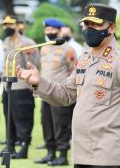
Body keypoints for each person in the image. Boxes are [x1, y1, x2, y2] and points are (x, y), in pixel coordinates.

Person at [17, 3, 120, 168]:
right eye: (87, 24)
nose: (90, 28)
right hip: (81, 154)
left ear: (111, 28)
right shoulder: (85, 58)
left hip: (109, 155)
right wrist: (39, 82)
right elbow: (67, 94)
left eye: (96, 24)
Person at [0, 15, 40, 159]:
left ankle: (24, 148)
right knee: (9, 117)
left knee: (23, 118)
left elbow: (32, 66)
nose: (7, 27)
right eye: (5, 25)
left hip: (22, 87)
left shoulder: (27, 43)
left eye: (10, 25)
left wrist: (31, 85)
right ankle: (10, 146)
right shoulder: (6, 41)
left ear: (17, 26)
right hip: (8, 86)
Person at [34, 18, 77, 166]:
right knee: (46, 123)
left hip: (60, 94)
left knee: (61, 124)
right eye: (47, 30)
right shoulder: (44, 48)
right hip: (45, 93)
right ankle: (50, 153)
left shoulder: (68, 49)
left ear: (59, 31)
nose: (49, 32)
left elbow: (74, 72)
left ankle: (62, 155)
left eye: (52, 30)